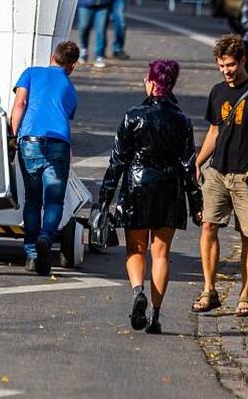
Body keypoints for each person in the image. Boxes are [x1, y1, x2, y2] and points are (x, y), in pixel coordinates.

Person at [97, 60, 202, 334]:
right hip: (170, 188)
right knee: (161, 254)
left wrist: (104, 198)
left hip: (137, 185)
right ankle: (155, 315)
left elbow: (117, 160)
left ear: (152, 82)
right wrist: (196, 203)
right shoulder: (183, 121)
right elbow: (189, 165)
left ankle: (137, 291)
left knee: (136, 249)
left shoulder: (133, 116)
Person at [192, 35, 248, 318]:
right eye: (221, 65)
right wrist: (198, 161)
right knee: (208, 227)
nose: (226, 71)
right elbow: (215, 131)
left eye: (230, 65)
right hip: (217, 172)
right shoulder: (217, 92)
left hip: (247, 177)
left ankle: (245, 294)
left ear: (242, 61)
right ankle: (209, 289)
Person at [10, 41, 80, 276]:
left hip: (30, 141)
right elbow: (66, 115)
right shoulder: (69, 87)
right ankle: (46, 238)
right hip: (59, 144)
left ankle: (31, 254)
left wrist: (14, 135)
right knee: (54, 201)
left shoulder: (31, 73)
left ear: (52, 56)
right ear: (71, 66)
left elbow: (20, 104)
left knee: (32, 200)